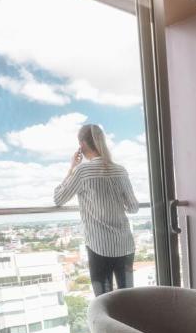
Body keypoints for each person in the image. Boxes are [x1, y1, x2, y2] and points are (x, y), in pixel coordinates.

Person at [54, 124, 139, 296]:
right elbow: (133, 207)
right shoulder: (120, 170)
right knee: (129, 300)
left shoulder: (82, 171)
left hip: (99, 247)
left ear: (82, 145)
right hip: (125, 244)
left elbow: (58, 198)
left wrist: (71, 168)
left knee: (104, 302)